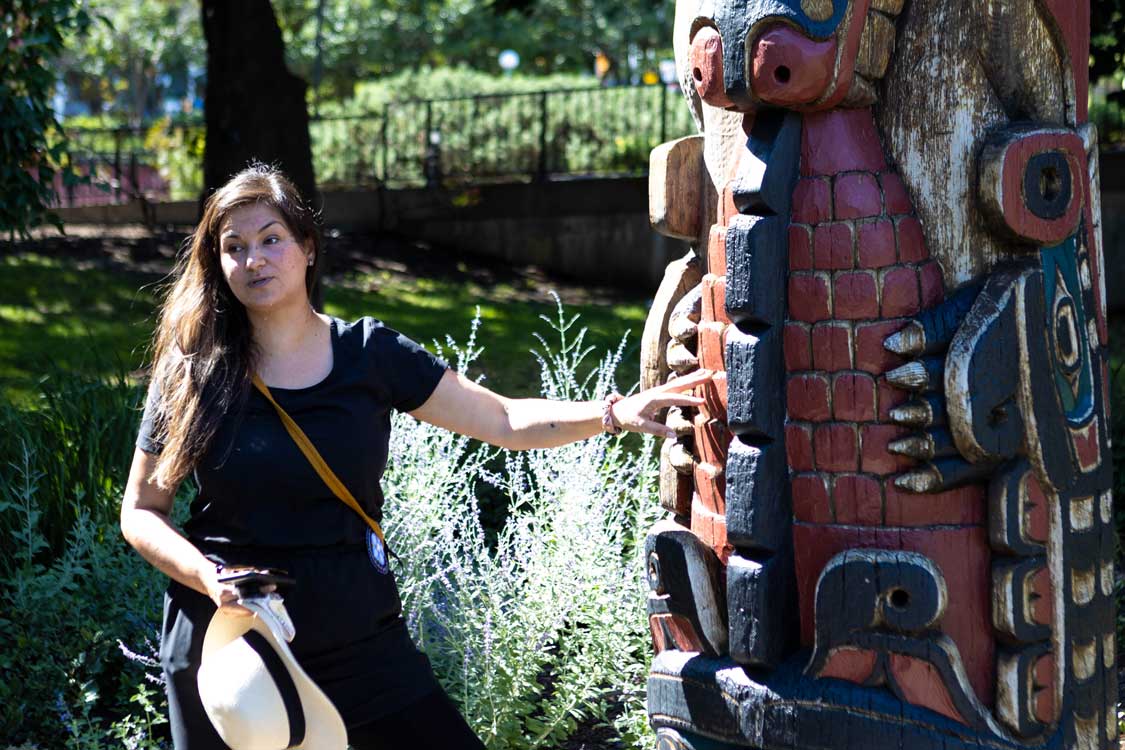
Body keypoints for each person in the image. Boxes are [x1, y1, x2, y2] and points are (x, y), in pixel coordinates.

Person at [120, 164, 710, 750]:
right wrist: (206, 576)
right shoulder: (192, 369)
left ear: (306, 249)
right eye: (235, 247)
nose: (254, 260)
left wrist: (613, 414)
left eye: (271, 239)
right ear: (218, 265)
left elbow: (500, 418)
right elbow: (142, 509)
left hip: (355, 631)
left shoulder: (368, 355)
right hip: (233, 644)